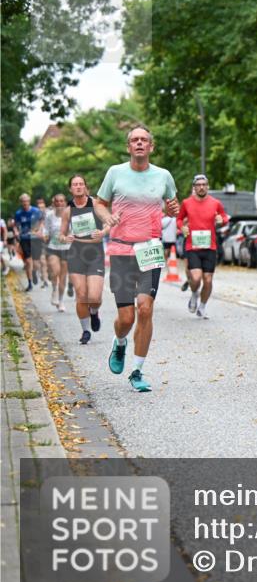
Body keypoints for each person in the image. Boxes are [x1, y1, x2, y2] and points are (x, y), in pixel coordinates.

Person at [93, 124, 179, 392]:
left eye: (144, 140)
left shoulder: (164, 175)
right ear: (128, 146)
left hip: (150, 249)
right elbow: (98, 202)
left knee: (145, 308)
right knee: (126, 318)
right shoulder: (115, 173)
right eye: (135, 140)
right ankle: (120, 343)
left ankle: (138, 371)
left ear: (151, 147)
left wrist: (174, 209)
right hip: (120, 249)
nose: (139, 143)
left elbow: (173, 207)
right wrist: (106, 216)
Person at [63, 175, 109, 344]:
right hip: (76, 253)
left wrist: (103, 232)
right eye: (75, 184)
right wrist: (65, 237)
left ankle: (94, 312)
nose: (78, 187)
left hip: (95, 252)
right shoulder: (68, 210)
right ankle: (85, 331)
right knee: (81, 295)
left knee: (95, 297)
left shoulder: (96, 204)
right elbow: (61, 234)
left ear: (85, 187)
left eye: (81, 184)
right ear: (71, 189)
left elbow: (108, 222)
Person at [177, 174, 228, 318]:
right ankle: (194, 294)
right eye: (198, 185)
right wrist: (182, 227)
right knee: (196, 278)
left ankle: (203, 306)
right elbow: (179, 219)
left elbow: (224, 218)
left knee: (208, 279)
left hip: (210, 247)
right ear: (194, 187)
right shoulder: (187, 203)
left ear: (208, 186)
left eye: (203, 184)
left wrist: (221, 220)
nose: (201, 187)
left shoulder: (215, 203)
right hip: (192, 247)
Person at [43, 193, 71, 311]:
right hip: (53, 247)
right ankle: (54, 290)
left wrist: (68, 237)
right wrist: (45, 235)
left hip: (66, 248)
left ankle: (60, 301)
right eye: (57, 201)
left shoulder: (70, 215)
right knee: (55, 272)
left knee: (63, 276)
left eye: (61, 201)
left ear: (65, 203)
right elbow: (46, 229)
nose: (59, 203)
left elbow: (73, 231)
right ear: (54, 203)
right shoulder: (49, 215)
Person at [13, 194, 43, 290]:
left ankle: (35, 272)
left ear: (29, 201)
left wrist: (39, 230)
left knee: (36, 261)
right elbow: (15, 225)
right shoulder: (18, 213)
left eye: (26, 201)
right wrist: (16, 232)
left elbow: (42, 221)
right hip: (24, 238)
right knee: (28, 261)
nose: (25, 203)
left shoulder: (36, 211)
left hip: (35, 238)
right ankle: (30, 283)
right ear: (21, 202)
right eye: (23, 201)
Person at [34, 197, 51, 288]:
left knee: (49, 261)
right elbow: (33, 229)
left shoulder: (49, 213)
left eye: (42, 207)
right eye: (39, 207)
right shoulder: (35, 216)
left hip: (50, 240)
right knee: (43, 261)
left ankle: (46, 276)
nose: (41, 209)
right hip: (40, 241)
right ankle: (45, 279)